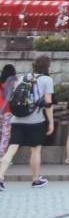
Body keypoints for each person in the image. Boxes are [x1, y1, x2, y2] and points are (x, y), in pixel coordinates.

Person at [0, 54, 55, 190]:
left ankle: (0, 177)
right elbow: (48, 103)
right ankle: (35, 179)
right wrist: (51, 122)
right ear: (47, 66)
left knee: (12, 149)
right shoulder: (47, 80)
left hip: (17, 119)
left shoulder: (22, 78)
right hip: (35, 121)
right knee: (35, 149)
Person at [0, 64, 16, 160]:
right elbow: (8, 98)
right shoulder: (11, 81)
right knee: (5, 136)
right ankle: (1, 156)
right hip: (6, 112)